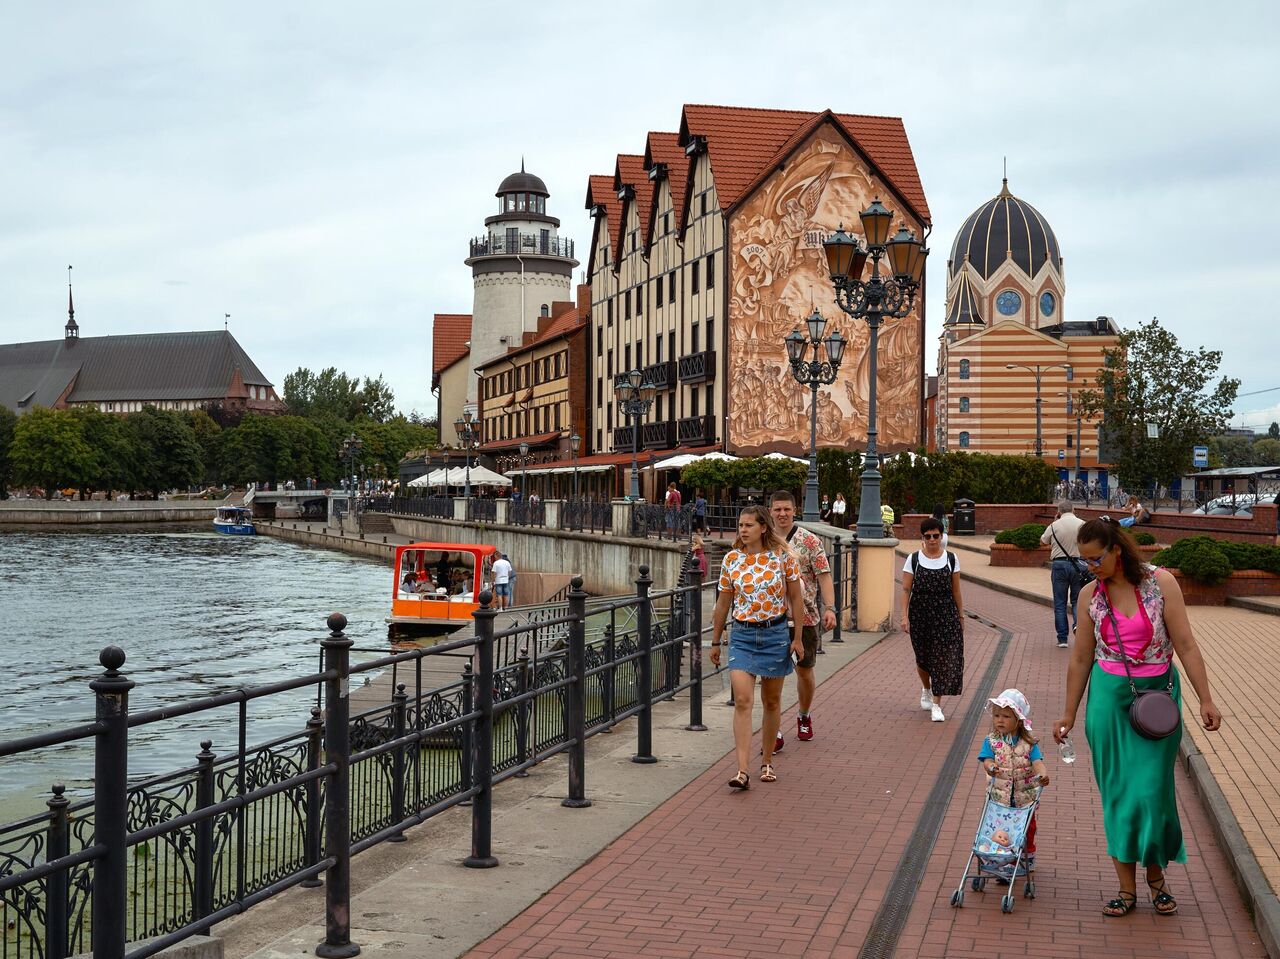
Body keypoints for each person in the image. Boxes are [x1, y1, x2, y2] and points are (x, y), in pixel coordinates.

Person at [1054, 517, 1222, 918]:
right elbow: (1080, 659)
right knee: (1119, 797)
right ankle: (1127, 891)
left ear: (1116, 550)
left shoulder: (1160, 583)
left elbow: (1186, 643)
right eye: (1084, 561)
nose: (1089, 567)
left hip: (1158, 701)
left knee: (1151, 793)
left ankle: (1156, 880)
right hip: (1108, 704)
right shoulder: (1090, 596)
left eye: (1095, 560)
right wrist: (1069, 714)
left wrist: (1206, 699)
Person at [709, 506, 805, 789]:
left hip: (775, 634)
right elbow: (723, 603)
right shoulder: (731, 560)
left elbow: (796, 600)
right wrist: (716, 641)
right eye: (741, 525)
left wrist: (797, 638)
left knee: (772, 702)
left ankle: (766, 762)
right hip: (742, 635)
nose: (743, 530)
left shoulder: (783, 558)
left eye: (749, 525)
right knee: (742, 700)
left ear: (764, 527)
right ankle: (742, 770)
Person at [769, 492, 836, 748]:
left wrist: (829, 608)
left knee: (805, 672)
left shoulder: (809, 541)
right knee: (771, 676)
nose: (782, 514)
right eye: (777, 510)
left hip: (805, 618)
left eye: (786, 509)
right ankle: (773, 731)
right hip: (771, 618)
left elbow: (824, 575)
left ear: (794, 510)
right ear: (771, 511)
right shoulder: (764, 540)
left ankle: (804, 714)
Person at [901, 517, 964, 722]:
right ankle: (926, 688)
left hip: (945, 614)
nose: (932, 540)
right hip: (920, 614)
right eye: (927, 536)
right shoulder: (913, 559)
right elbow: (905, 589)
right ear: (923, 537)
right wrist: (904, 616)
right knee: (923, 658)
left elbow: (956, 590)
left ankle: (937, 704)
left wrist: (960, 615)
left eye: (935, 535)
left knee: (942, 658)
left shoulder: (951, 559)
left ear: (941, 536)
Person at [979, 689, 1049, 870]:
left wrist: (1042, 774)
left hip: (1024, 797)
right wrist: (990, 766)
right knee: (1001, 828)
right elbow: (986, 759)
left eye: (1005, 716)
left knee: (1027, 828)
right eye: (996, 715)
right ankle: (1000, 857)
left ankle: (1027, 855)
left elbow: (1037, 762)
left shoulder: (1029, 744)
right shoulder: (991, 741)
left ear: (1018, 720)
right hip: (999, 795)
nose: (999, 720)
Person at [1041, 500, 1086, 648]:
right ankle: (1078, 625)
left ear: (1059, 512)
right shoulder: (1082, 524)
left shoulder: (1054, 525)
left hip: (1059, 565)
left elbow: (1043, 541)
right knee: (1077, 600)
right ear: (1073, 510)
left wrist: (1055, 523)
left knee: (1060, 603)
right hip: (1078, 564)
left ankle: (1062, 639)